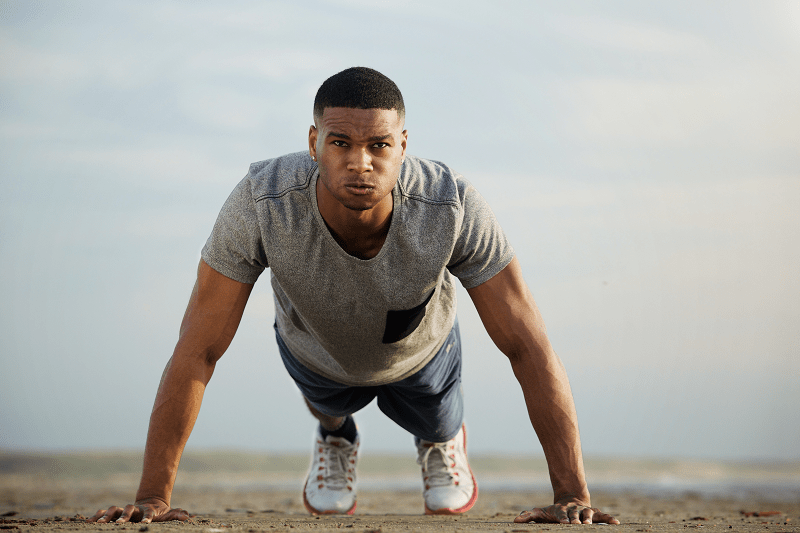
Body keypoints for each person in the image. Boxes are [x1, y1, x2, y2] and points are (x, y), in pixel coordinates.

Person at [90, 67, 619, 526]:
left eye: (379, 146)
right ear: (314, 141)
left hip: (421, 354)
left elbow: (528, 344)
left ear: (403, 146)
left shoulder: (451, 206)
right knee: (328, 400)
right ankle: (336, 438)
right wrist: (153, 496)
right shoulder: (261, 203)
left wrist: (572, 494)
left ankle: (441, 442)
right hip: (315, 350)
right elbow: (197, 347)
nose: (360, 162)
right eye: (340, 143)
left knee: (434, 420)